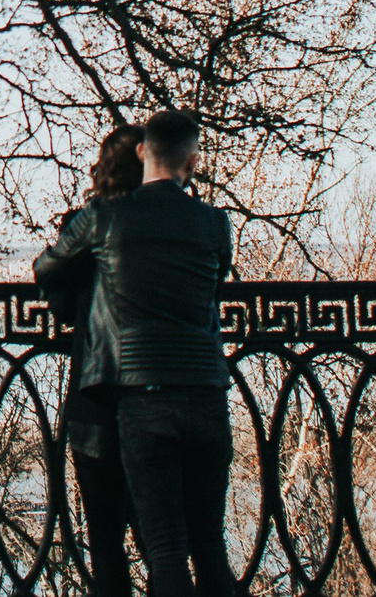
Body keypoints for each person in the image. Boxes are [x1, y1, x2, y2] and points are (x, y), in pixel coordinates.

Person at [94, 108, 237, 597]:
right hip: (207, 388)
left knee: (167, 549)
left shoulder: (110, 218)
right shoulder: (215, 223)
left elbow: (47, 268)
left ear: (141, 152)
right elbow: (215, 282)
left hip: (145, 393)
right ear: (192, 162)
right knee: (211, 546)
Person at [32, 123, 144, 597]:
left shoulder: (90, 221)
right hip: (154, 393)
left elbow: (49, 278)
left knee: (104, 537)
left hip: (95, 393)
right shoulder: (162, 223)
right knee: (160, 534)